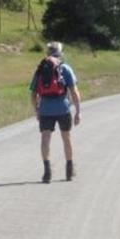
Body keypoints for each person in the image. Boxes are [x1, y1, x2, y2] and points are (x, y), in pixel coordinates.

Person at [30, 41, 81, 183]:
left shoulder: (40, 69)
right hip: (63, 108)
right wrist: (78, 111)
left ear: (47, 53)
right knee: (66, 137)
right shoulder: (65, 68)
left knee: (45, 139)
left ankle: (47, 171)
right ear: (60, 53)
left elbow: (33, 94)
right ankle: (69, 170)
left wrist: (37, 111)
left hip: (45, 109)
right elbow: (74, 91)